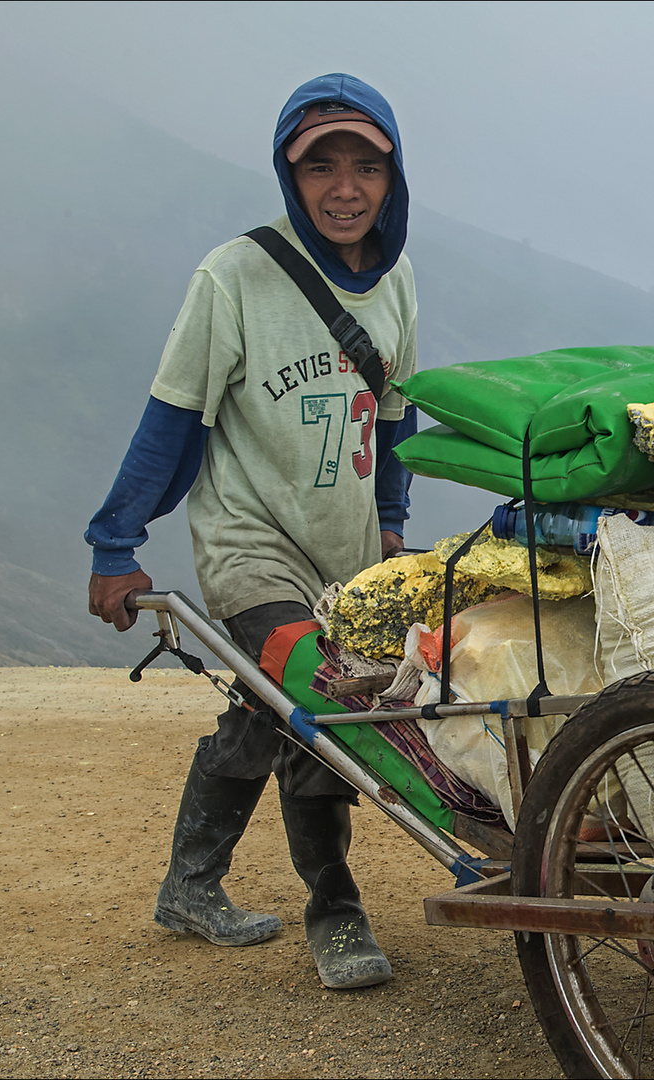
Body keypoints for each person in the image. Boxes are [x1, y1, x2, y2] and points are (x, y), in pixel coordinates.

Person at [84, 73, 417, 990]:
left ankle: (190, 886)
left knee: (264, 711)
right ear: (288, 173)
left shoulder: (397, 287)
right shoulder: (233, 276)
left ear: (394, 181)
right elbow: (173, 418)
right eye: (321, 167)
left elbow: (392, 419)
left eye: (365, 167)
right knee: (320, 709)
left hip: (344, 557)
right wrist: (115, 545)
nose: (344, 187)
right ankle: (337, 909)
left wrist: (389, 522)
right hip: (249, 546)